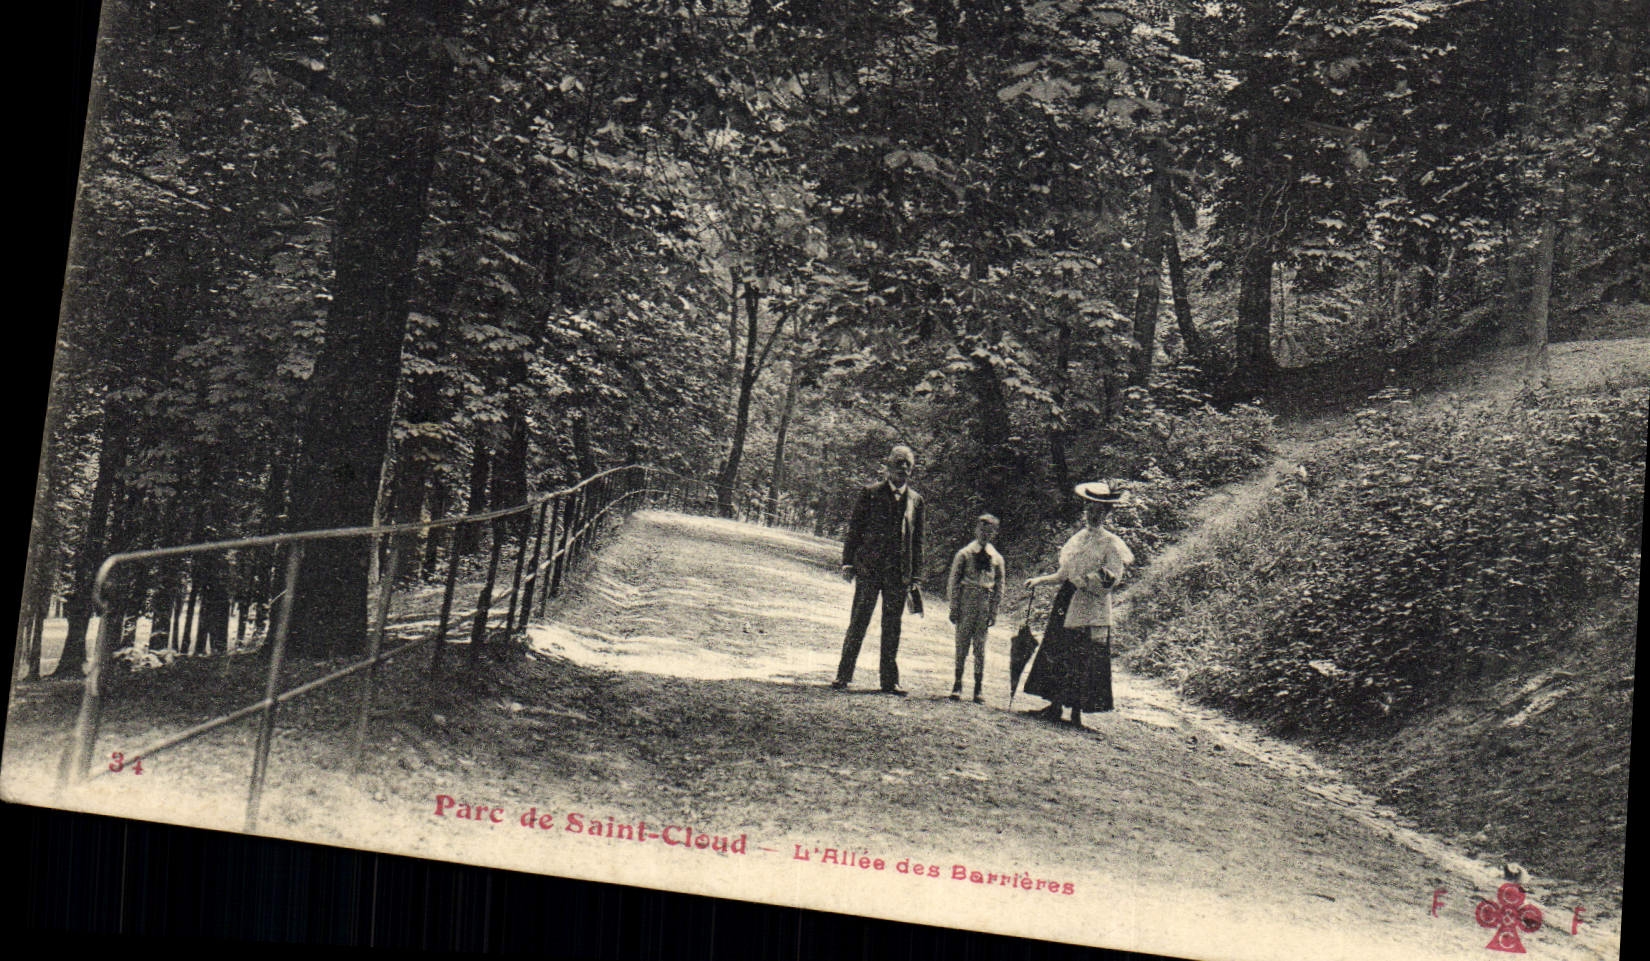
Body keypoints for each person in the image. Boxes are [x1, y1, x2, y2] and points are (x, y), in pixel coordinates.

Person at [1022, 481, 1134, 727]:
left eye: (1099, 511)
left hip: (1091, 605)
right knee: (1059, 649)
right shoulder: (1078, 539)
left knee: (1083, 656)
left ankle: (1076, 712)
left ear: (1106, 514)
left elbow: (1112, 576)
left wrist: (1084, 581)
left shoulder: (1111, 543)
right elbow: (1064, 574)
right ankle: (1054, 705)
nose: (1093, 515)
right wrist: (1040, 580)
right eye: (1090, 509)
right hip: (1068, 599)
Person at [832, 445, 925, 695]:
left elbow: (917, 542)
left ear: (911, 470)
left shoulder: (916, 501)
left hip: (898, 574)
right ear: (888, 467)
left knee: (892, 626)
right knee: (858, 621)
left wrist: (915, 576)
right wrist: (848, 563)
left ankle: (889, 681)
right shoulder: (870, 494)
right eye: (898, 463)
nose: (902, 469)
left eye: (907, 465)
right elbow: (855, 530)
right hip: (869, 570)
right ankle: (843, 675)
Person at [947, 513, 1005, 703]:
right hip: (966, 601)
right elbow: (954, 581)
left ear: (994, 533)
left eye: (989, 531)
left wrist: (994, 610)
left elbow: (999, 586)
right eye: (982, 530)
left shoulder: (996, 558)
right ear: (976, 531)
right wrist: (954, 606)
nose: (985, 534)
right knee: (962, 643)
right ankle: (957, 684)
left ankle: (978, 688)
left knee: (980, 646)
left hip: (984, 603)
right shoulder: (964, 554)